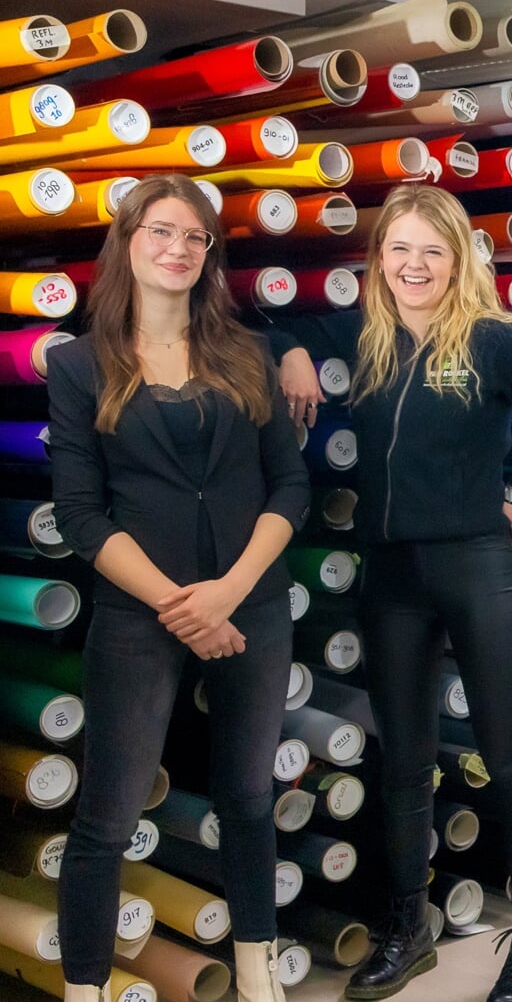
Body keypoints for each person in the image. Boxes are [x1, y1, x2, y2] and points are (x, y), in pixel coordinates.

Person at [273, 185, 512, 1002]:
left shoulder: (489, 339)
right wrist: (293, 351)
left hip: (479, 566)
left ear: (457, 261)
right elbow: (282, 324)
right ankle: (408, 929)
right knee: (404, 762)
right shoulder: (368, 335)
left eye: (432, 251)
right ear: (380, 258)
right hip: (392, 575)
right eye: (399, 249)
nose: (413, 265)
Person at [47, 175, 308, 1002]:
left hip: (251, 601)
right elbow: (83, 517)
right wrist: (185, 608)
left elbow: (290, 488)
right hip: (140, 614)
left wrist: (228, 591)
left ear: (210, 254)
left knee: (247, 797)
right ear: (127, 242)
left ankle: (260, 978)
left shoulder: (247, 353)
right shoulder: (78, 364)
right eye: (163, 232)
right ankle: (86, 988)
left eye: (196, 238)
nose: (179, 249)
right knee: (107, 817)